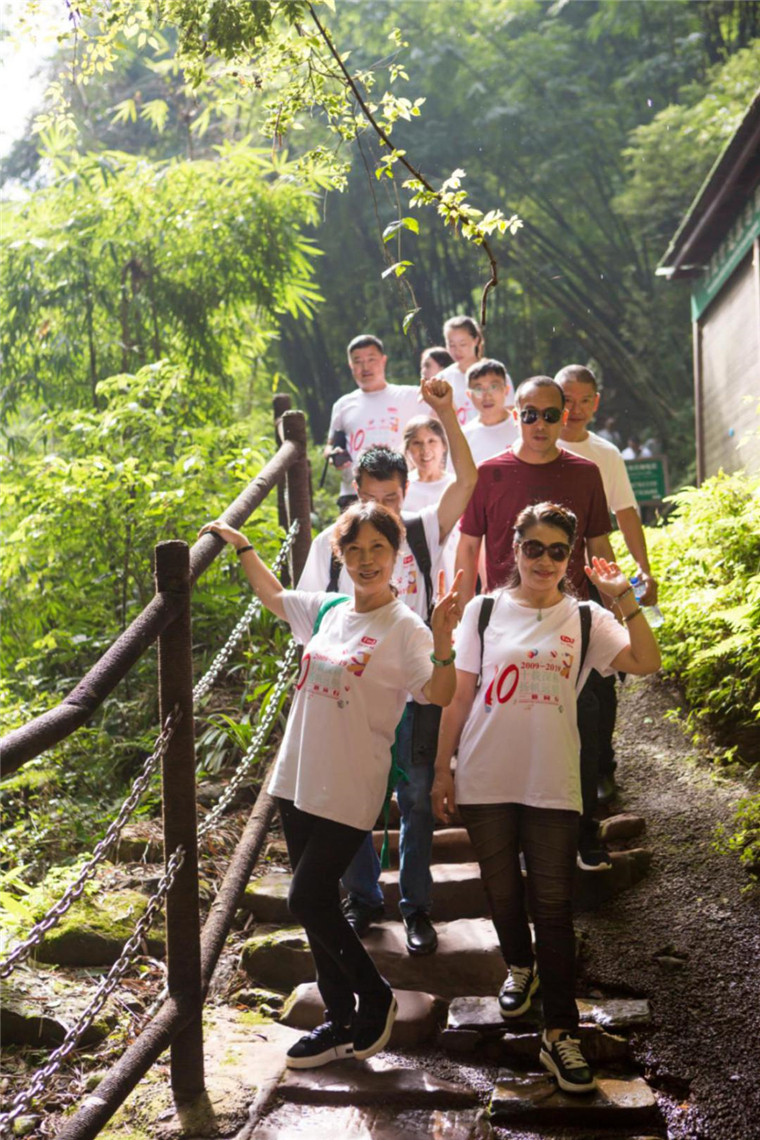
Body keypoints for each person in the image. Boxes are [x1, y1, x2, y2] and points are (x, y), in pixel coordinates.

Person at [199, 503, 461, 1070]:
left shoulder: (405, 628)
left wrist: (443, 641)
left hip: (350, 783)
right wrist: (242, 545)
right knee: (316, 907)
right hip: (297, 776)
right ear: (339, 556)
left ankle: (376, 997)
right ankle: (339, 1020)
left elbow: (438, 694)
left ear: (396, 556)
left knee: (307, 898)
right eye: (355, 549)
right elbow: (275, 597)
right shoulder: (330, 610)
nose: (367, 560)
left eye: (378, 549)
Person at [433, 502, 661, 1094]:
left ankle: (560, 1033)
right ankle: (519, 964)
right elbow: (459, 697)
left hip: (553, 780)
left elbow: (647, 660)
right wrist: (441, 770)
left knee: (555, 907)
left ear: (571, 558)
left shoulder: (586, 618)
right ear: (515, 549)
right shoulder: (483, 611)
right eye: (533, 547)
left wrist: (623, 598)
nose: (544, 560)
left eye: (558, 551)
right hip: (485, 774)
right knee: (501, 889)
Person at [299, 377, 477, 956]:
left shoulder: (421, 530)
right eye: (372, 498)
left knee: (417, 796)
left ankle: (417, 907)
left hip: (415, 683)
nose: (382, 511)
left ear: (407, 492)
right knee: (355, 796)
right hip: (353, 692)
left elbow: (467, 482)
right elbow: (308, 619)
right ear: (355, 491)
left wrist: (447, 413)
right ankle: (363, 898)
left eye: (393, 499)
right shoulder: (333, 546)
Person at [454, 375, 618, 870]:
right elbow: (469, 545)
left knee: (585, 720)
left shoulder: (585, 473)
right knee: (508, 726)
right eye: (530, 414)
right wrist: (464, 614)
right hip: (505, 625)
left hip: (570, 622)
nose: (540, 424)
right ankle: (517, 838)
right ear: (516, 415)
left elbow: (599, 544)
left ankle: (583, 831)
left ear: (564, 416)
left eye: (550, 414)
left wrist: (615, 603)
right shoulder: (490, 473)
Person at [556, 364, 659, 804]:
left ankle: (602, 768)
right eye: (567, 400)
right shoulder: (538, 444)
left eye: (584, 400)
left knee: (602, 673)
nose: (575, 409)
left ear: (596, 403)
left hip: (595, 578)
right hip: (546, 582)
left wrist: (643, 569)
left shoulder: (605, 453)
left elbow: (626, 513)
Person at [325, 334, 422, 509]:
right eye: (358, 361)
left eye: (371, 359)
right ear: (351, 365)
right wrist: (335, 455)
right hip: (355, 493)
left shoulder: (410, 396)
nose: (365, 367)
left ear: (383, 360)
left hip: (400, 492)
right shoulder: (343, 405)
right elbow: (330, 446)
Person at [461, 358, 518, 466]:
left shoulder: (522, 428)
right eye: (478, 389)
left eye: (494, 387)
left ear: (506, 390)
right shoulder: (464, 436)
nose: (487, 396)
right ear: (469, 395)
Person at [402, 414, 454, 511]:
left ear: (444, 445)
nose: (425, 450)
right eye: (417, 443)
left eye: (431, 441)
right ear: (407, 448)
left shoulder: (455, 485)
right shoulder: (401, 486)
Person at [440, 315, 485, 425]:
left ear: (476, 340)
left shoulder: (495, 372)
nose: (457, 351)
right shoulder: (442, 378)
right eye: (452, 345)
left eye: (463, 344)